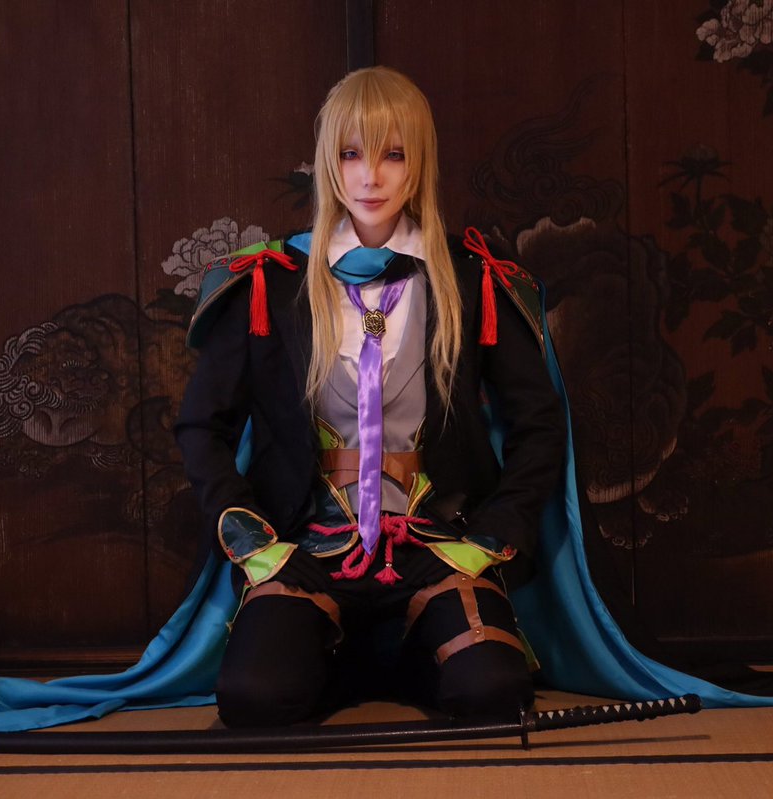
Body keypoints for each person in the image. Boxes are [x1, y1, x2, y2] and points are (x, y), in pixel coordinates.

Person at [175, 66, 566, 728]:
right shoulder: (270, 281)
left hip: (437, 550)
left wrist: (491, 537)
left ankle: (403, 651)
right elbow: (200, 426)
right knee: (255, 700)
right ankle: (343, 652)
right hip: (307, 551)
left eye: (393, 155)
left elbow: (539, 426)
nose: (370, 177)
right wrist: (255, 543)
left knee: (493, 696)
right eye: (352, 153)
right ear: (328, 161)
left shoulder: (473, 278)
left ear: (421, 161)